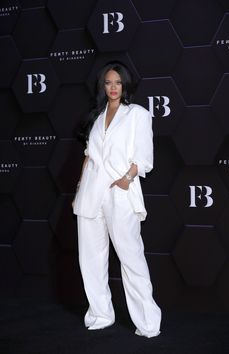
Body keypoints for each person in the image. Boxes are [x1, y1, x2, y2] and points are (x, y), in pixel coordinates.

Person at [72, 62, 161, 338]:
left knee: (131, 258)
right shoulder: (97, 117)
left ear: (125, 85)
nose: (112, 87)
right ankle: (100, 314)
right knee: (91, 259)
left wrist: (127, 178)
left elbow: (144, 155)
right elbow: (89, 154)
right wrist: (80, 186)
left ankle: (148, 322)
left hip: (120, 193)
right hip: (90, 195)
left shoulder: (138, 114)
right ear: (103, 86)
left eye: (117, 82)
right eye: (108, 83)